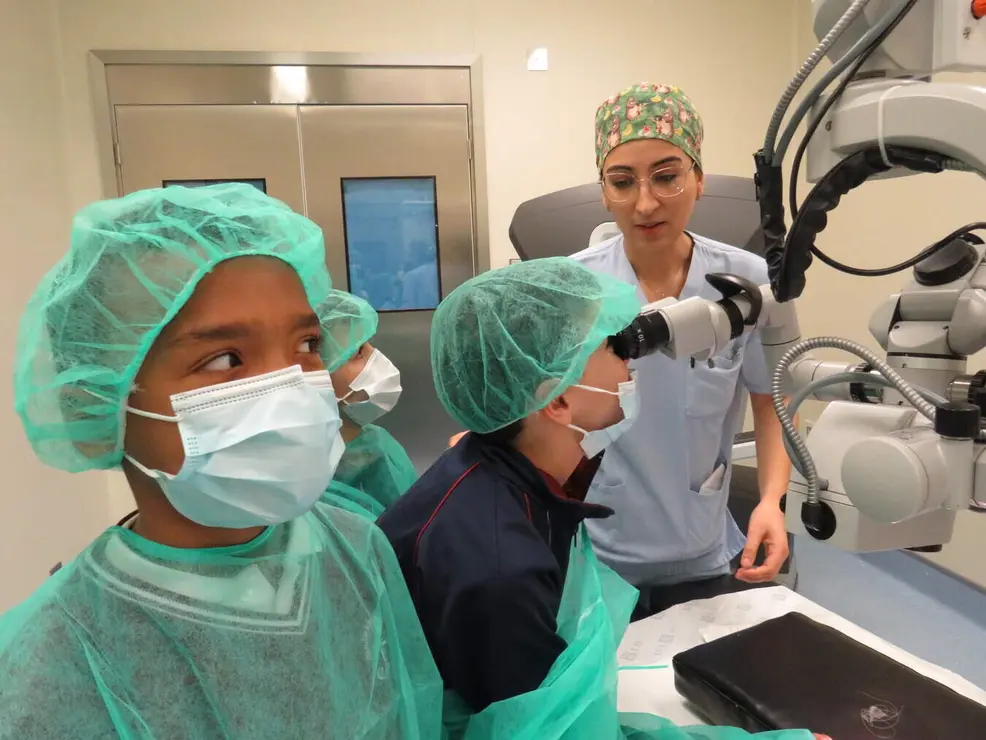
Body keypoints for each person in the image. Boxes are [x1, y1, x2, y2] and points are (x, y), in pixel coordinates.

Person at [0, 183, 442, 738]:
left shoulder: (354, 550)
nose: (291, 388)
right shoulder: (54, 661)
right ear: (98, 399)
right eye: (225, 359)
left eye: (307, 345)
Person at [377, 258, 826, 740]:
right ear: (558, 400)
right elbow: (545, 732)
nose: (632, 360)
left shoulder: (511, 477)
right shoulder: (499, 566)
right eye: (613, 347)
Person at [570, 83, 792, 617]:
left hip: (702, 550)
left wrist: (771, 501)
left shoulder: (748, 281)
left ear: (698, 178)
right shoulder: (575, 288)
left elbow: (772, 401)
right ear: (604, 192)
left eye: (666, 176)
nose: (645, 203)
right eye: (623, 182)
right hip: (602, 550)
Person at [315, 288, 416, 519]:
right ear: (316, 376)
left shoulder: (378, 444)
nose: (377, 358)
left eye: (370, 345)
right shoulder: (304, 483)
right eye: (358, 352)